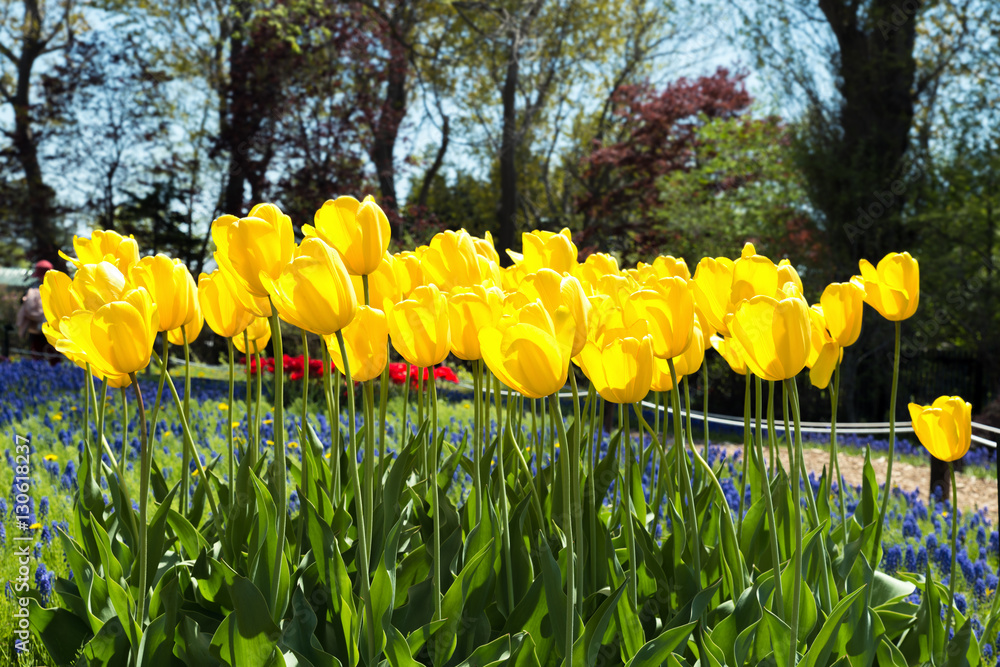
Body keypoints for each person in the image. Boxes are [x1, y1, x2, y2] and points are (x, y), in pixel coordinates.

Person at [16, 260, 57, 364]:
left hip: (49, 327)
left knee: (51, 355)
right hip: (39, 328)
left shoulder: (52, 287)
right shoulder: (35, 287)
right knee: (40, 354)